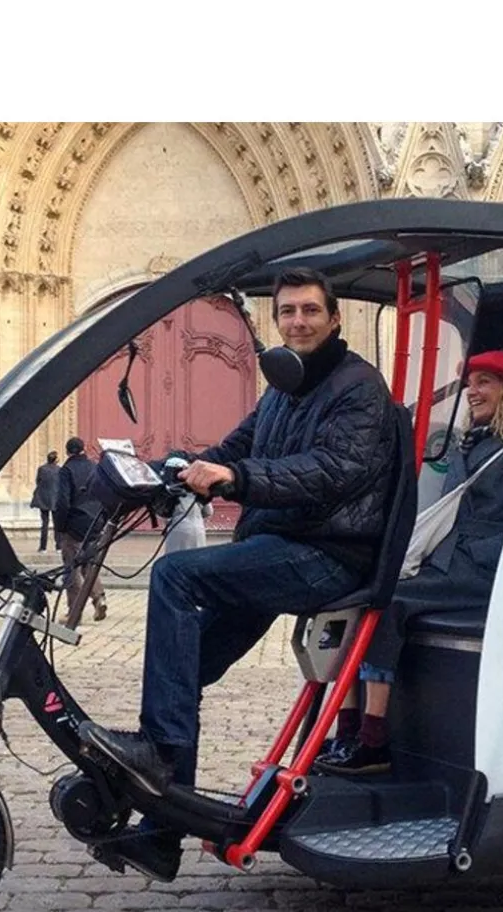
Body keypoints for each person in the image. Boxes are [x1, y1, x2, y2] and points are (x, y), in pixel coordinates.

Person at [84, 267, 396, 880]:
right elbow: (234, 448)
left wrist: (237, 479)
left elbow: (333, 470)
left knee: (177, 577)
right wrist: (174, 467)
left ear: (335, 318)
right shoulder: (283, 386)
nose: (298, 322)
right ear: (275, 320)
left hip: (329, 555)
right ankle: (161, 832)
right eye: (287, 312)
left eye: (310, 310)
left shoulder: (359, 386)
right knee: (184, 672)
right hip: (276, 548)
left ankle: (154, 754)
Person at [316, 350, 503, 775]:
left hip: (484, 567)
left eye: (484, 382)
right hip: (448, 559)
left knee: (386, 602)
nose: (472, 392)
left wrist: (482, 552)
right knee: (349, 598)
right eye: (470, 384)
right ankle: (345, 730)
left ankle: (373, 739)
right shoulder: (468, 441)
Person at [55, 436, 108, 622]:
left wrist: (60, 527)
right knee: (89, 564)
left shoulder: (66, 470)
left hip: (74, 524)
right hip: (95, 523)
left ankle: (74, 612)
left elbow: (62, 501)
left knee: (72, 569)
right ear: (84, 449)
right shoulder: (94, 467)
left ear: (67, 452)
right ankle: (99, 598)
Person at [32, 450, 61, 553]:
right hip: (55, 498)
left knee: (44, 523)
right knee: (57, 524)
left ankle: (43, 547)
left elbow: (38, 481)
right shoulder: (59, 470)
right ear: (56, 460)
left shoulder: (41, 469)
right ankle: (59, 546)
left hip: (43, 499)